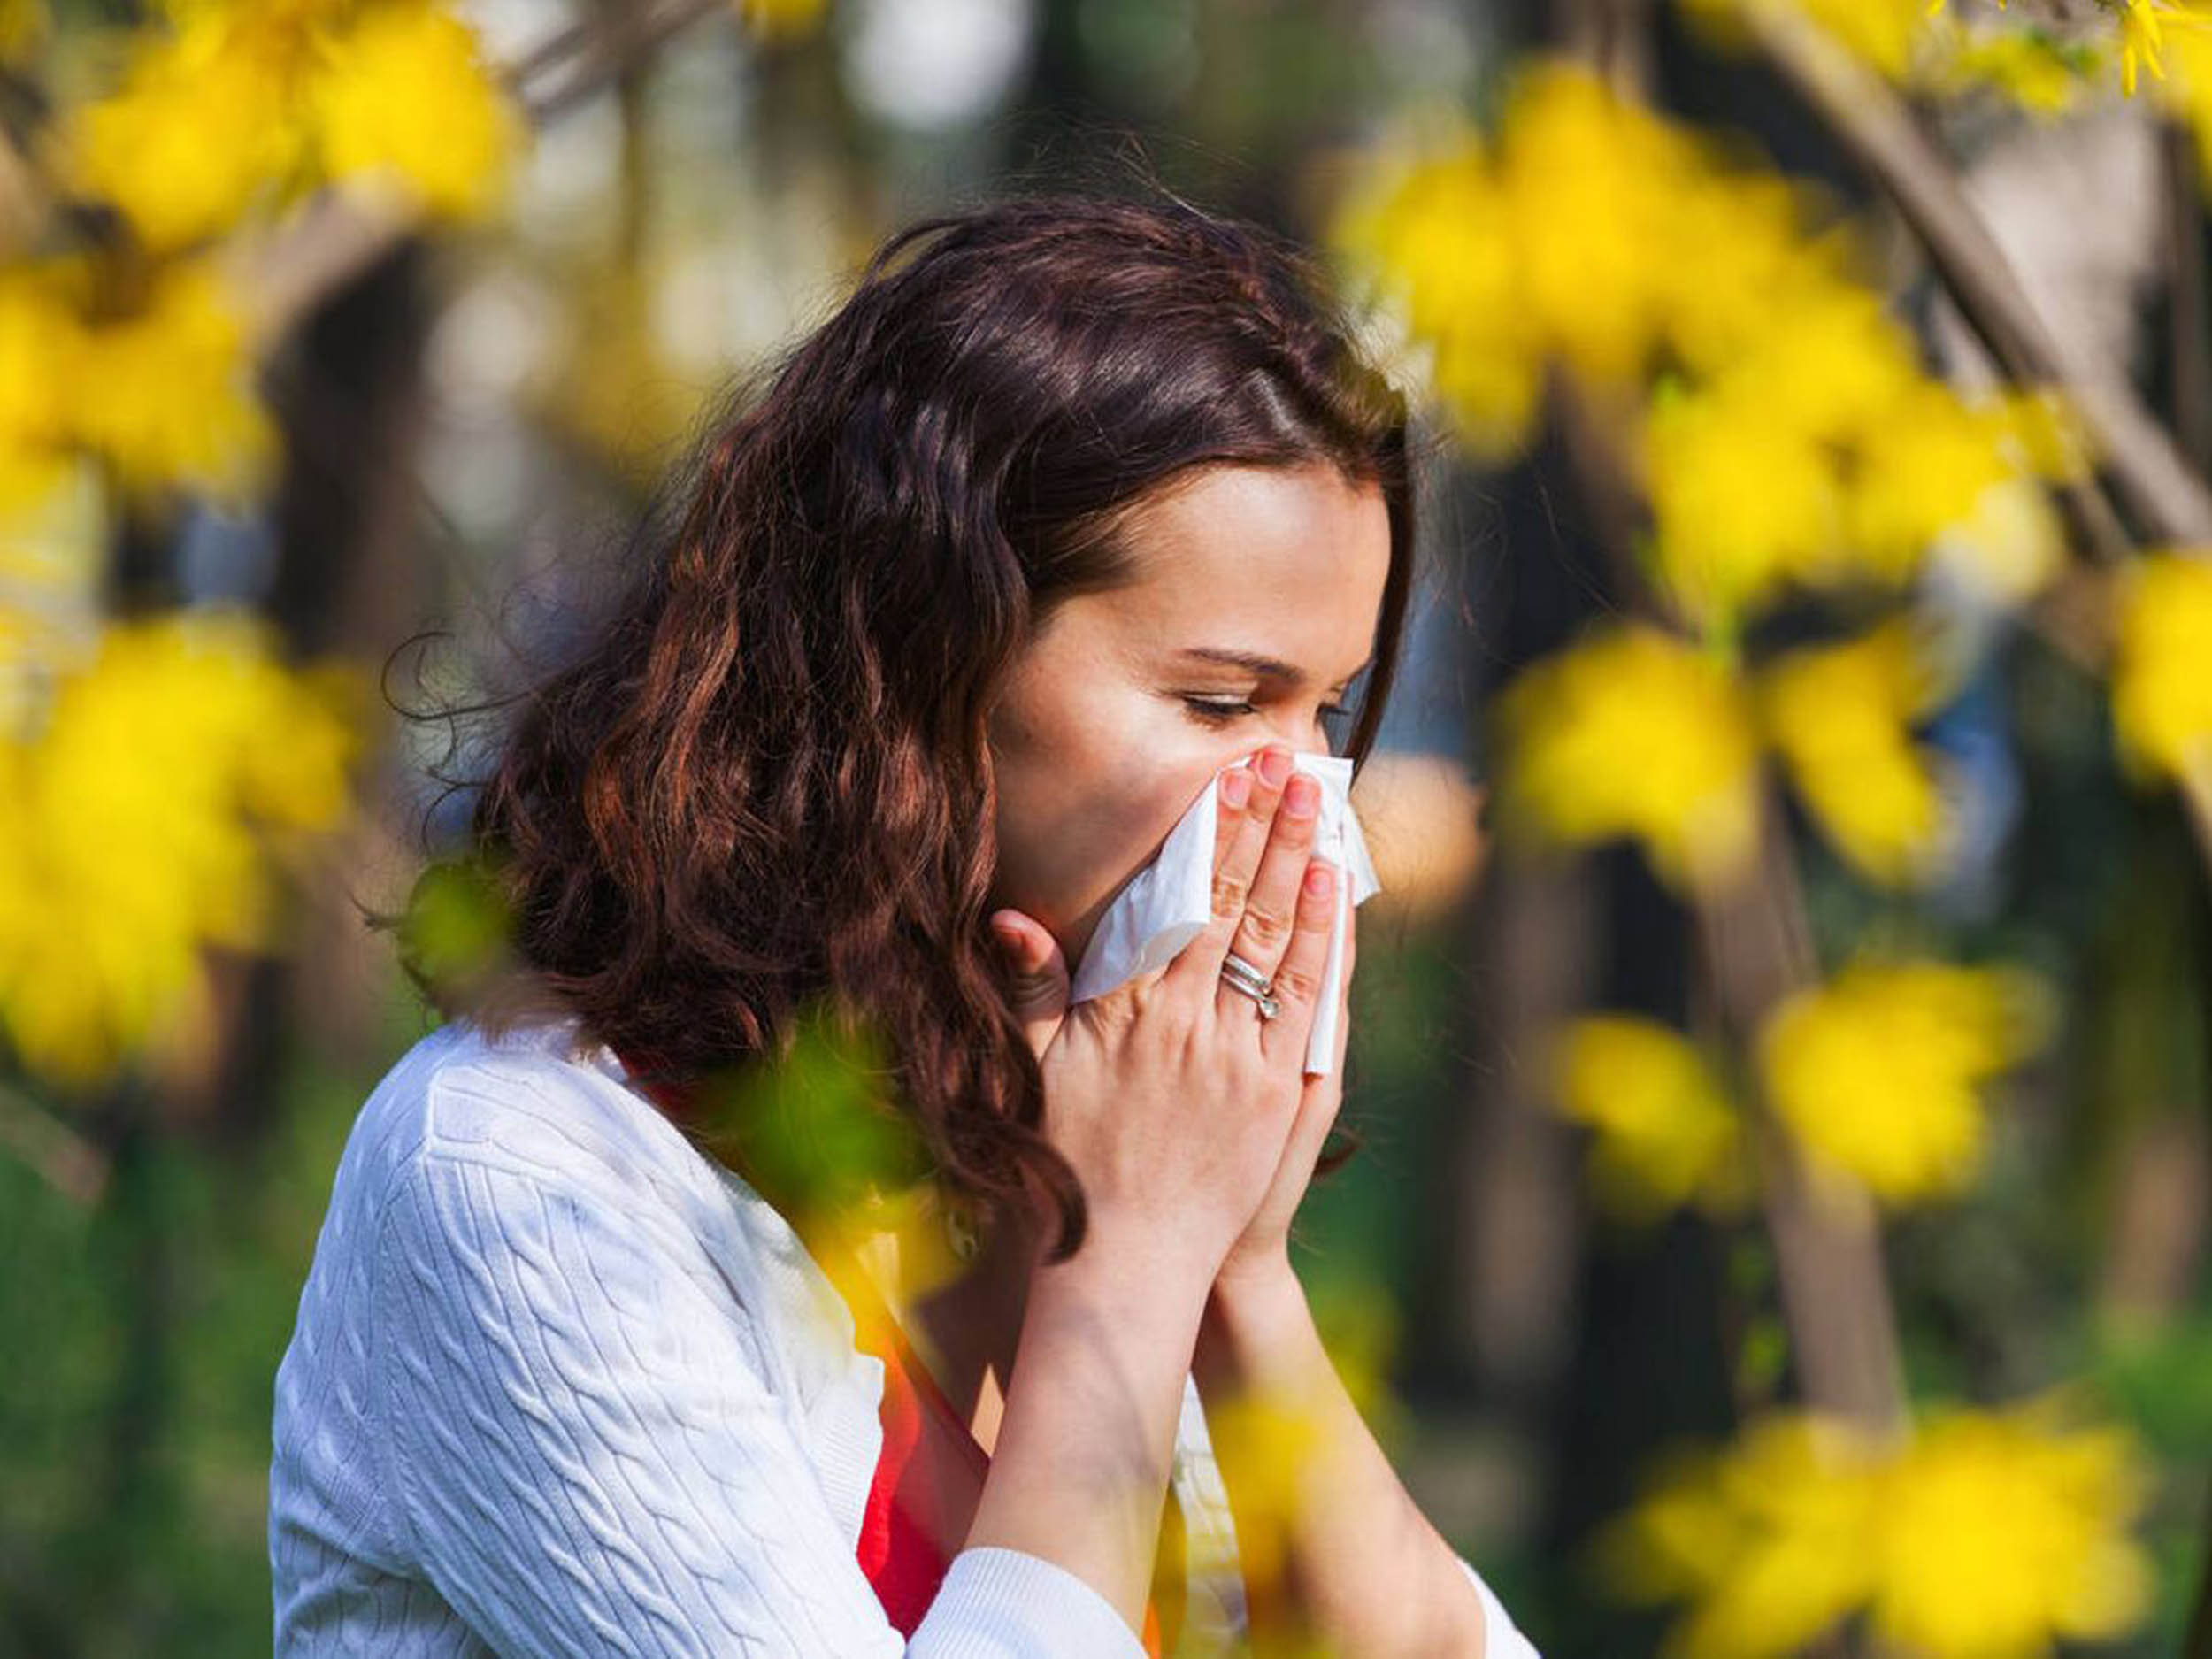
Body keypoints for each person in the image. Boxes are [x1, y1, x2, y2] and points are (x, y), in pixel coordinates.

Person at [269, 189, 1542, 1657]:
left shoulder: (1035, 1151)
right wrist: (1124, 1272)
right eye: (1219, 702)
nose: (1302, 800)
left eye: (1327, 713)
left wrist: (1234, 1274)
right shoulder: (522, 1180)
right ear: (923, 661)